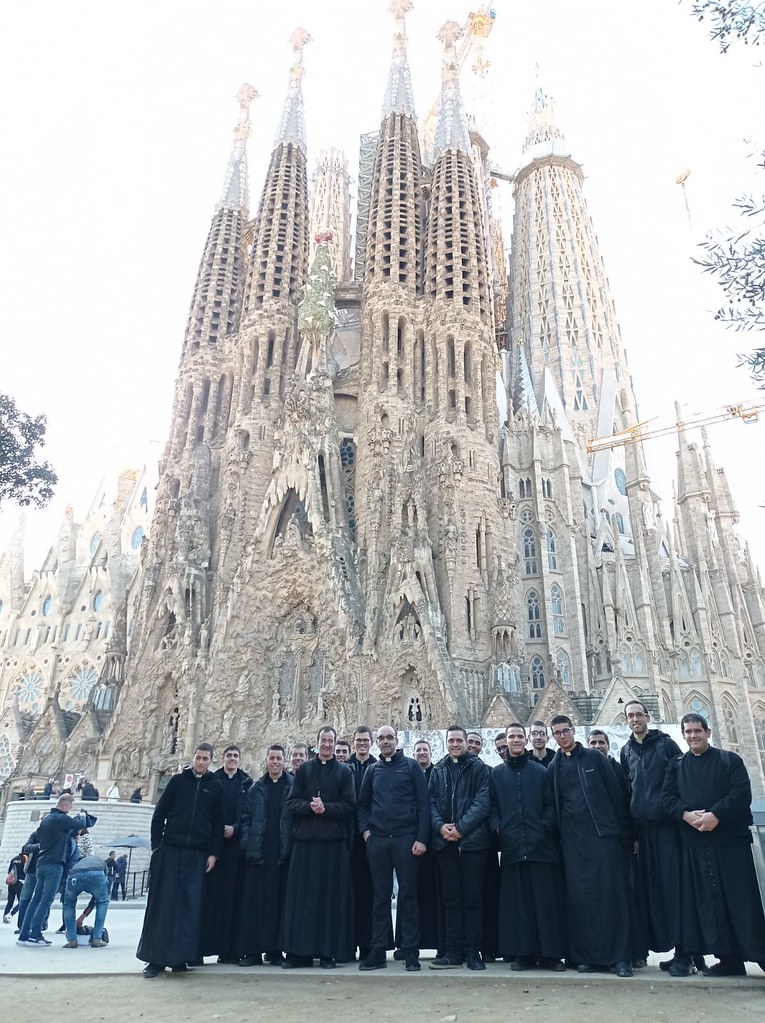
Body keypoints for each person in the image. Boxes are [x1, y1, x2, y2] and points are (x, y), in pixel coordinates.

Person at [663, 713, 765, 977]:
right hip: (696, 844)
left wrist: (715, 815)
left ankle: (759, 955)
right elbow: (668, 797)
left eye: (698, 731)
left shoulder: (729, 760)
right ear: (683, 735)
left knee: (740, 903)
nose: (693, 736)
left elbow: (741, 793)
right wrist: (685, 814)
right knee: (712, 904)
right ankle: (729, 960)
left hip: (730, 845)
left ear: (708, 732)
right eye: (688, 732)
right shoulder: (676, 765)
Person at [549, 714, 637, 977]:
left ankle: (621, 958)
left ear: (573, 731)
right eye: (557, 733)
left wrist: (625, 835)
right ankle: (586, 957)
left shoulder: (595, 758)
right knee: (580, 900)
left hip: (603, 838)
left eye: (565, 731)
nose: (562, 736)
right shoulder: (554, 767)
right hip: (574, 843)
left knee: (612, 898)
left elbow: (617, 794)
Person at [137, 743, 224, 978]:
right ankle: (154, 959)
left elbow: (218, 824)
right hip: (172, 850)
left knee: (189, 907)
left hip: (197, 853)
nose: (201, 761)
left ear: (211, 761)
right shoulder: (178, 782)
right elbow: (159, 815)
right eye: (198, 757)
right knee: (162, 906)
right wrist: (157, 847)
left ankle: (180, 958)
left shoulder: (214, 786)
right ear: (193, 758)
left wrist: (214, 853)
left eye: (206, 758)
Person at [619, 700, 691, 974]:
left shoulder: (666, 745)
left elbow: (681, 781)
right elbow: (629, 790)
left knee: (675, 890)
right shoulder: (627, 751)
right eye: (630, 716)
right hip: (644, 833)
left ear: (647, 717)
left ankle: (686, 953)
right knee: (652, 893)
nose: (635, 719)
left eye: (639, 714)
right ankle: (670, 948)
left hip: (668, 830)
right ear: (626, 721)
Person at [490, 723, 566, 971]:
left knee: (545, 903)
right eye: (511, 736)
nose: (516, 740)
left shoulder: (541, 772)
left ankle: (550, 955)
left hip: (541, 847)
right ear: (506, 741)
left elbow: (551, 805)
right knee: (519, 905)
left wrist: (543, 828)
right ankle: (523, 954)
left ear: (526, 740)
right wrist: (499, 827)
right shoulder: (497, 774)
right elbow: (492, 807)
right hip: (513, 847)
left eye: (520, 736)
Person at [281, 726, 355, 969]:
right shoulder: (304, 769)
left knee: (328, 901)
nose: (326, 744)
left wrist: (327, 809)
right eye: (323, 740)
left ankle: (327, 953)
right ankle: (298, 953)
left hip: (332, 846)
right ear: (317, 742)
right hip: (305, 845)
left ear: (334, 744)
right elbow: (292, 801)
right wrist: (310, 808)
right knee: (301, 901)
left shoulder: (344, 773)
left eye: (330, 740)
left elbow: (349, 806)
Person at [357, 724, 429, 973]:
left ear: (397, 740)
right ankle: (377, 952)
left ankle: (410, 953)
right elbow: (363, 805)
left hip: (406, 840)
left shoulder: (410, 767)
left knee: (408, 896)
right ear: (377, 742)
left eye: (389, 737)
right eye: (381, 738)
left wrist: (421, 838)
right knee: (380, 897)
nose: (385, 741)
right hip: (379, 842)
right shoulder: (373, 770)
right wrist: (367, 833)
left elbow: (423, 804)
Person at [429, 725, 492, 971]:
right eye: (451, 740)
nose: (455, 744)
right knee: (451, 899)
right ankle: (453, 952)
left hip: (472, 843)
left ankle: (473, 952)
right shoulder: (439, 769)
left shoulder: (478, 768)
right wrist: (440, 827)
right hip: (445, 843)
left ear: (466, 742)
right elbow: (430, 801)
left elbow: (482, 801)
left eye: (459, 740)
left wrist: (461, 829)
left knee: (473, 898)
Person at [238, 744, 293, 967]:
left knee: (278, 904)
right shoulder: (256, 789)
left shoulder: (292, 787)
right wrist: (247, 843)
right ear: (267, 760)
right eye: (272, 758)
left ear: (284, 760)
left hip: (281, 854)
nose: (275, 762)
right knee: (254, 905)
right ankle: (252, 951)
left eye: (279, 758)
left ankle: (275, 950)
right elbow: (245, 819)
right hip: (258, 854)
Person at [18, 796, 97, 947]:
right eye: (70, 807)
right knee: (46, 900)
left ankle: (24, 935)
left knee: (35, 900)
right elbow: (81, 824)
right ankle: (35, 935)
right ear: (66, 806)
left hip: (42, 863)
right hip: (54, 865)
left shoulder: (46, 820)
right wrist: (81, 816)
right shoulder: (60, 818)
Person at [200, 744, 252, 964]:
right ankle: (201, 948)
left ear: (240, 759)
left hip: (235, 850)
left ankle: (229, 950)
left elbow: (249, 813)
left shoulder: (246, 783)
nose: (232, 759)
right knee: (208, 900)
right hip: (214, 848)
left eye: (235, 756)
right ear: (222, 758)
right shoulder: (213, 781)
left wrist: (236, 829)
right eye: (229, 755)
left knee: (233, 901)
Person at [347, 725, 379, 962]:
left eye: (366, 740)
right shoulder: (344, 768)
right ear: (353, 741)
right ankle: (348, 944)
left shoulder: (378, 767)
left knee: (372, 892)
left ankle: (369, 945)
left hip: (372, 837)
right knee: (349, 892)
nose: (362, 743)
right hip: (349, 839)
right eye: (358, 740)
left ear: (371, 742)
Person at [62, 852, 110, 948]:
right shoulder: (102, 864)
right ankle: (97, 939)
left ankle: (72, 940)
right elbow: (95, 900)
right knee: (102, 902)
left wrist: (82, 917)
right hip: (96, 873)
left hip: (74, 875)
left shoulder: (79, 863)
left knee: (68, 904)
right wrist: (83, 916)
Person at [4, 850, 25, 923]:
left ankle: (5, 916)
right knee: (22, 901)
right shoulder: (25, 859)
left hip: (12, 882)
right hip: (20, 883)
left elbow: (9, 871)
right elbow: (26, 870)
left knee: (10, 901)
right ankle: (11, 914)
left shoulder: (13, 859)